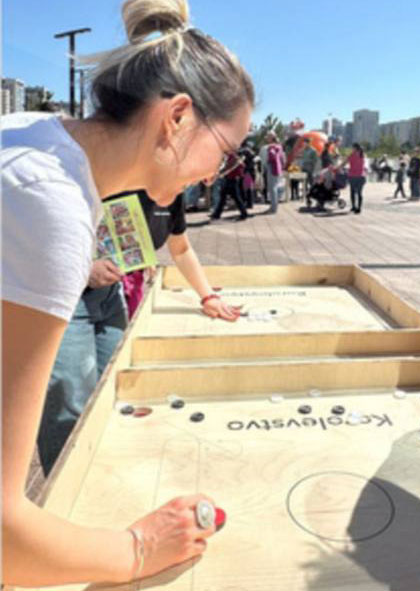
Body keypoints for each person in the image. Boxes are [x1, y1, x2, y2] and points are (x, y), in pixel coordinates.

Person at [2, 0, 254, 585]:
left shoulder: (34, 137)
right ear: (177, 117)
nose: (215, 175)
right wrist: (139, 549)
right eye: (225, 151)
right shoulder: (50, 203)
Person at [38, 190, 242, 476]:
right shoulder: (110, 181)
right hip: (66, 300)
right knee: (70, 407)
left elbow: (181, 248)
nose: (205, 181)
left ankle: (102, 475)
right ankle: (62, 489)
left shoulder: (174, 195)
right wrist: (85, 268)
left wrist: (208, 296)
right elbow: (37, 236)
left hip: (109, 296)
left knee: (114, 391)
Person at [210, 152, 249, 221]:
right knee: (225, 197)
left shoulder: (233, 157)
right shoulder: (233, 157)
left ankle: (244, 213)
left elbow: (228, 167)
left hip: (232, 179)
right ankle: (217, 214)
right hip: (230, 179)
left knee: (234, 198)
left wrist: (220, 174)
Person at [339, 142, 366, 214]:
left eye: (352, 148)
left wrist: (338, 168)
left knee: (352, 192)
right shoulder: (362, 155)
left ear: (355, 148)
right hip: (361, 176)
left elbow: (344, 163)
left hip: (353, 176)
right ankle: (359, 208)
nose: (352, 149)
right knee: (360, 193)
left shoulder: (352, 155)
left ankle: (354, 206)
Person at [265, 132, 286, 214]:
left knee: (272, 188)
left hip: (272, 168)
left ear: (271, 138)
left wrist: (268, 160)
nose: (267, 138)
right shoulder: (279, 146)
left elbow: (272, 156)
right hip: (278, 168)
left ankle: (273, 208)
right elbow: (282, 158)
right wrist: (282, 167)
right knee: (275, 187)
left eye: (268, 137)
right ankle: (274, 206)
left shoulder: (271, 147)